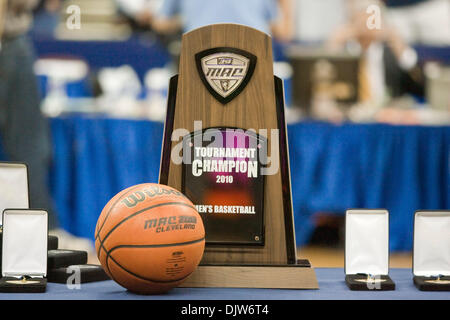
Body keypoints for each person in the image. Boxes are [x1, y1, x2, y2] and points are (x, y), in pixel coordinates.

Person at [0, 0, 93, 252]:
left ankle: (45, 230)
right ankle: (46, 231)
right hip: (7, 44)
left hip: (12, 41)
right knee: (28, 143)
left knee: (29, 145)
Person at [326, 0, 424, 108]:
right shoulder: (344, 53)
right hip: (351, 114)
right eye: (362, 17)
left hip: (387, 115)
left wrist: (398, 44)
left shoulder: (391, 52)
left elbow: (419, 83)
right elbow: (324, 83)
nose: (366, 24)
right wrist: (333, 46)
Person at [148, 0, 294, 42]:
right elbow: (282, 32)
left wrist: (183, 20)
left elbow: (160, 23)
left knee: (198, 115)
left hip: (199, 53)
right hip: (254, 53)